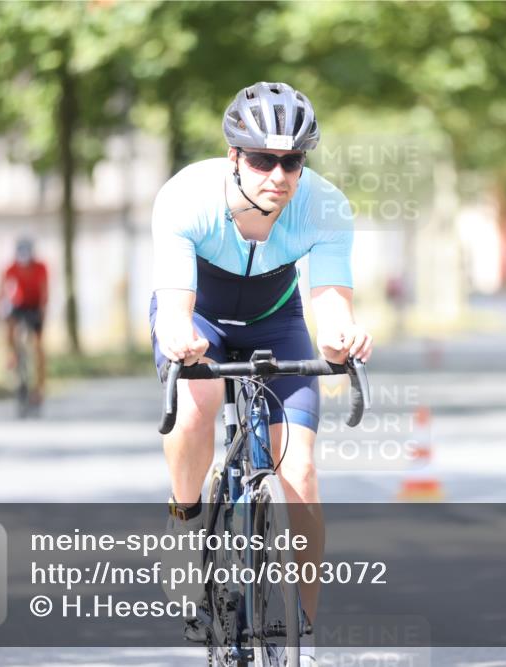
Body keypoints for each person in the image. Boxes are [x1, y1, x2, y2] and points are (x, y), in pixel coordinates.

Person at [150, 81, 372, 664]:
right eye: (262, 159)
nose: (278, 174)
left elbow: (330, 302)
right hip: (200, 317)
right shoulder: (185, 197)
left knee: (299, 469)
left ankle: (303, 633)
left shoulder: (325, 206)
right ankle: (185, 516)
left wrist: (343, 335)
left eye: (292, 161)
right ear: (235, 158)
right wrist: (180, 336)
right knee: (196, 409)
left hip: (276, 322)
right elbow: (174, 308)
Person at [0, 237, 49, 406]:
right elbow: (2, 290)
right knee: (10, 326)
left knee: (39, 347)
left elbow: (45, 291)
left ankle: (39, 388)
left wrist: (42, 311)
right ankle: (12, 354)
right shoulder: (11, 268)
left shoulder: (41, 268)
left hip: (35, 306)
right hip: (18, 305)